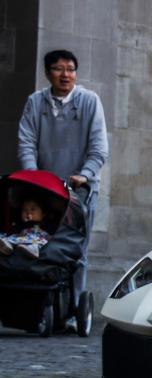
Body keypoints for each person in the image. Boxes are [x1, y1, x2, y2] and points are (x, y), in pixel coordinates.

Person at [17, 49, 108, 325]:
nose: (65, 74)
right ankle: (36, 303)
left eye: (70, 69)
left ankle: (72, 310)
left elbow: (99, 148)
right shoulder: (35, 102)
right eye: (58, 69)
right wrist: (33, 177)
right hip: (44, 190)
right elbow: (26, 142)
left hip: (78, 191)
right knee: (37, 244)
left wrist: (85, 174)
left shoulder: (89, 101)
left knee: (76, 251)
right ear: (47, 73)